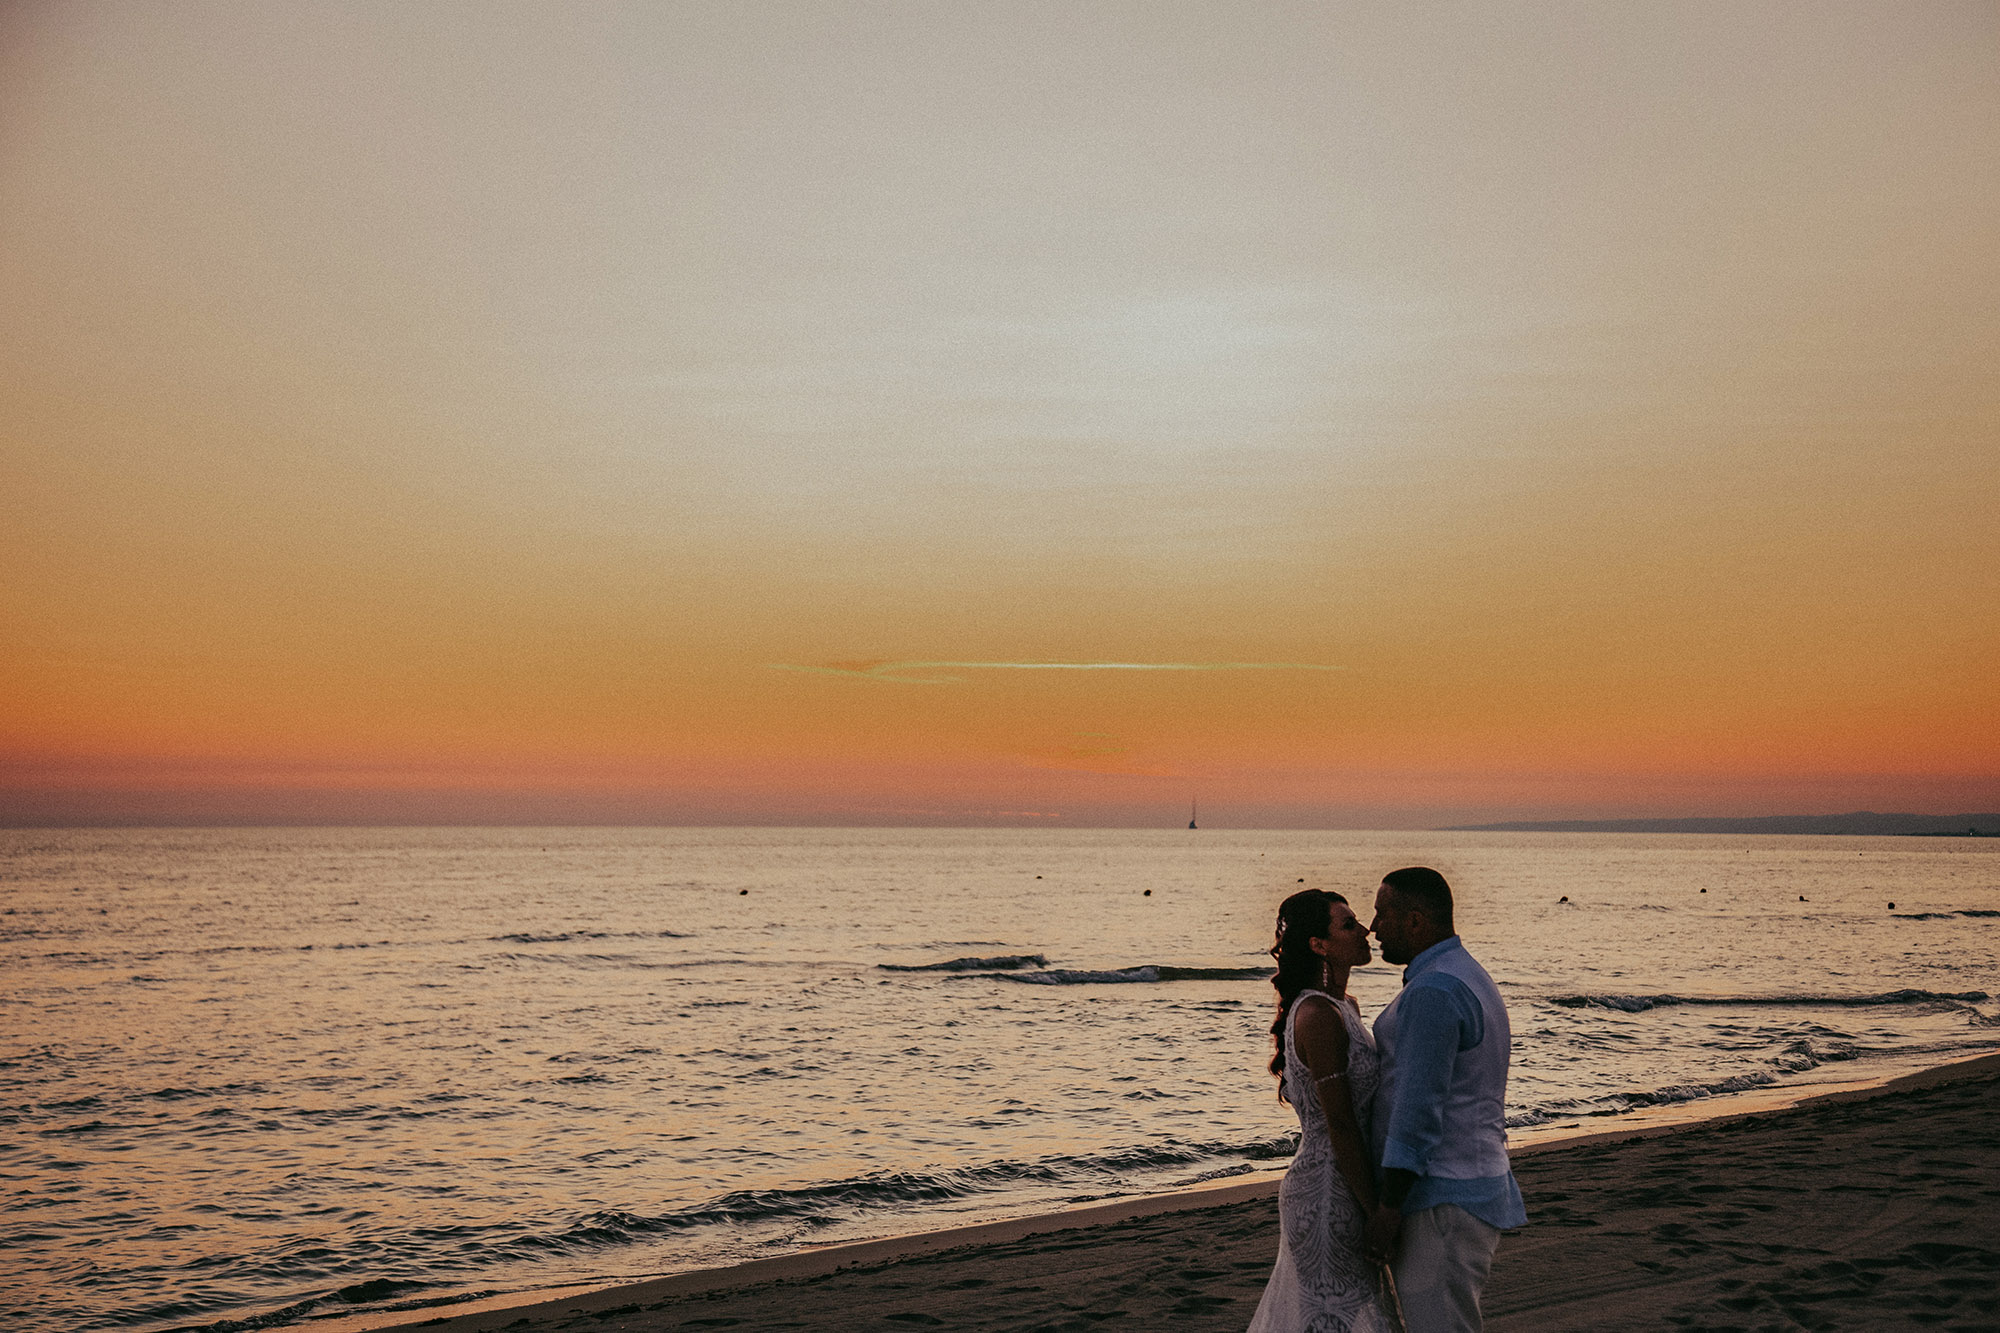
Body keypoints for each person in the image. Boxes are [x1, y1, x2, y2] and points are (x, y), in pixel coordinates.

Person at [1364, 867, 1526, 1333]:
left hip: (1440, 1197)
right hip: (1470, 1181)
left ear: (1415, 920)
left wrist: (1389, 1207)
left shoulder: (1434, 991)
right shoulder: (1464, 973)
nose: (1374, 928)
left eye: (1382, 914)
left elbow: (1417, 1109)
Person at [1248, 889, 1393, 1333]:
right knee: (1334, 1315)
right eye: (1347, 925)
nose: (1364, 930)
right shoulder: (1317, 1016)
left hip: (1347, 1179)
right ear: (1318, 944)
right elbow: (1342, 1126)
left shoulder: (1345, 1007)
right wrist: (1377, 1212)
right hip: (1329, 1191)